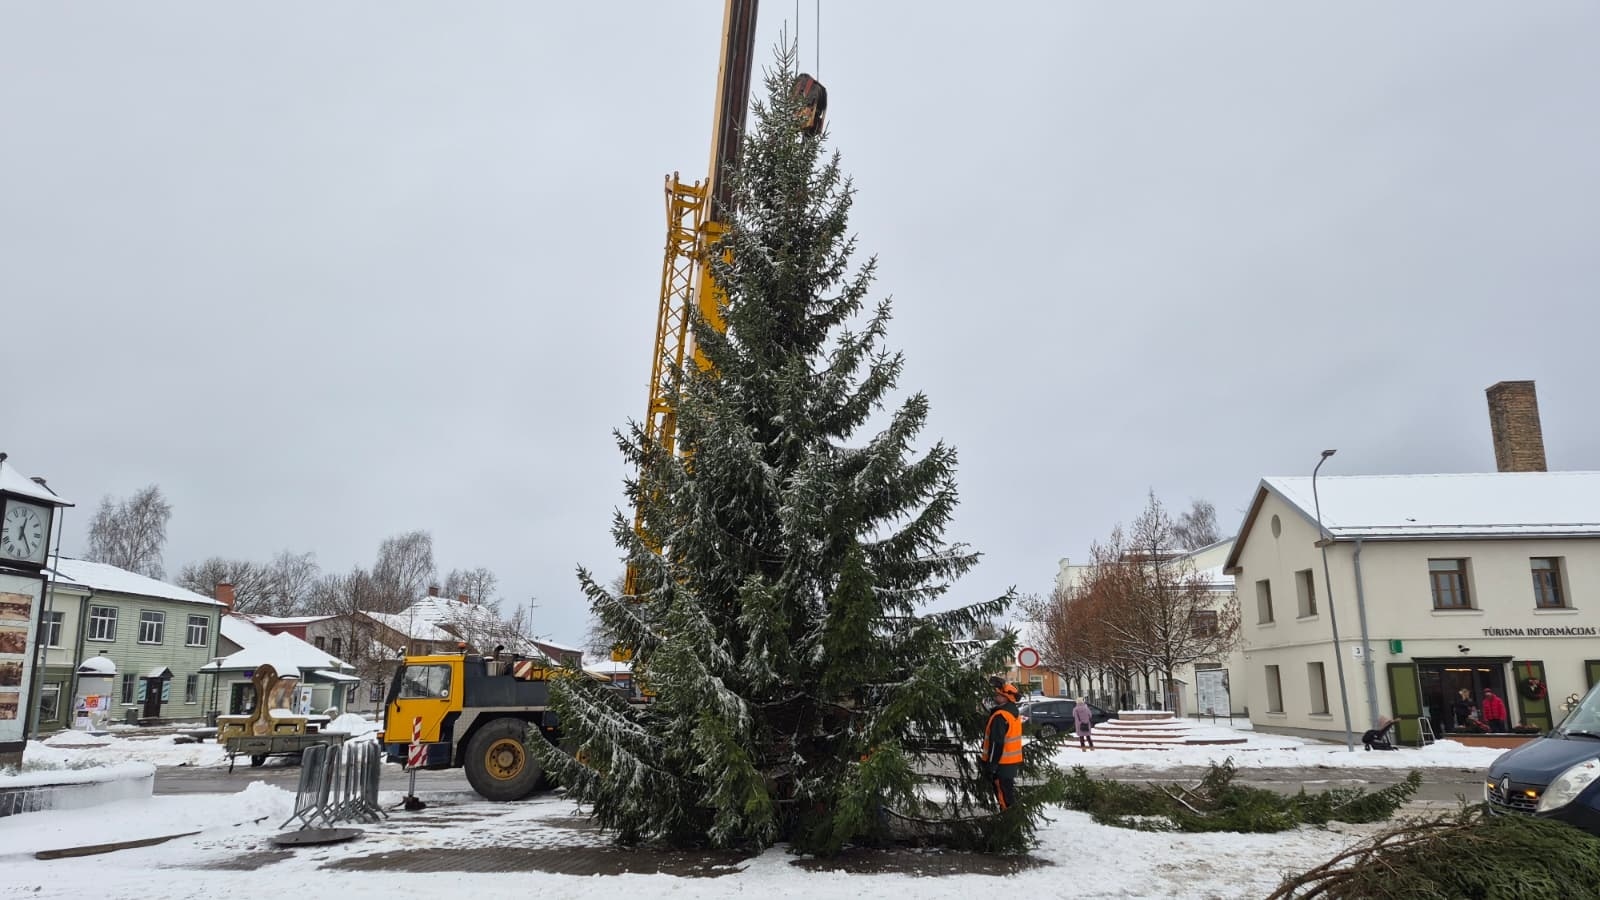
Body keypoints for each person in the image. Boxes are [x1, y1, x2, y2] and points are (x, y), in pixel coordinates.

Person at [980, 679, 1024, 810]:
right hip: (1010, 762)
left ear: (1006, 698)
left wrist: (992, 765)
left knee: (1003, 795)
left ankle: (1008, 822)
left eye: (998, 695)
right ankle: (1010, 820)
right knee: (1007, 794)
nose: (995, 696)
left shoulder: (1001, 716)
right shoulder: (1013, 713)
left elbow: (996, 743)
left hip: (1001, 763)